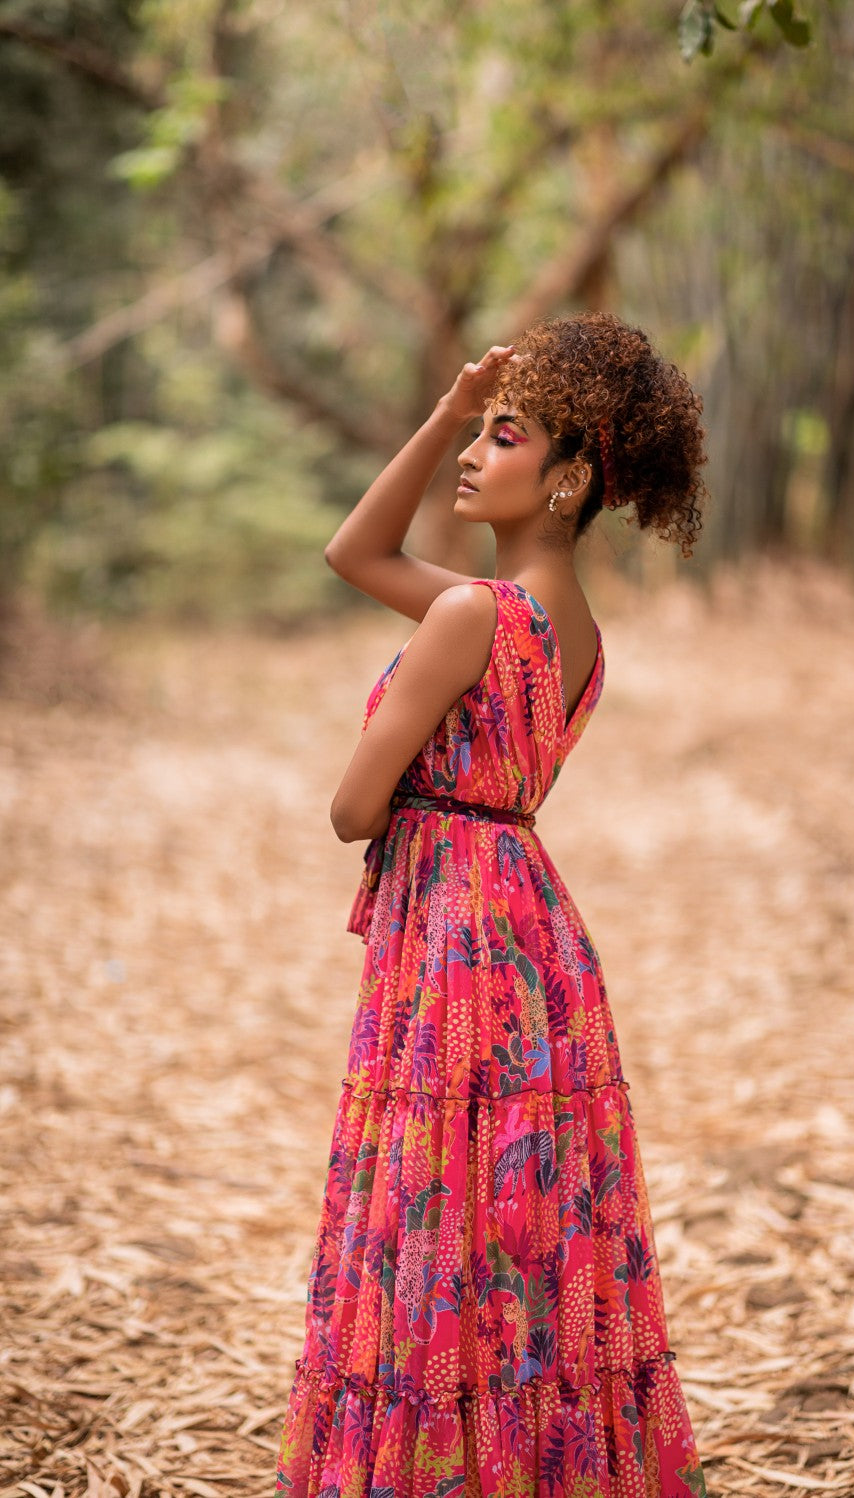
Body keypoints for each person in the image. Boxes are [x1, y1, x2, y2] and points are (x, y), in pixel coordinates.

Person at [275, 312, 709, 1498]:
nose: (473, 454)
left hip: (454, 938)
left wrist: (393, 760)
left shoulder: (472, 614)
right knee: (521, 1226)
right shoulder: (576, 632)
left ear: (568, 478)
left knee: (434, 1211)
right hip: (534, 931)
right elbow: (358, 555)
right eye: (478, 433)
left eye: (503, 436)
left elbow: (351, 809)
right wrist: (449, 410)